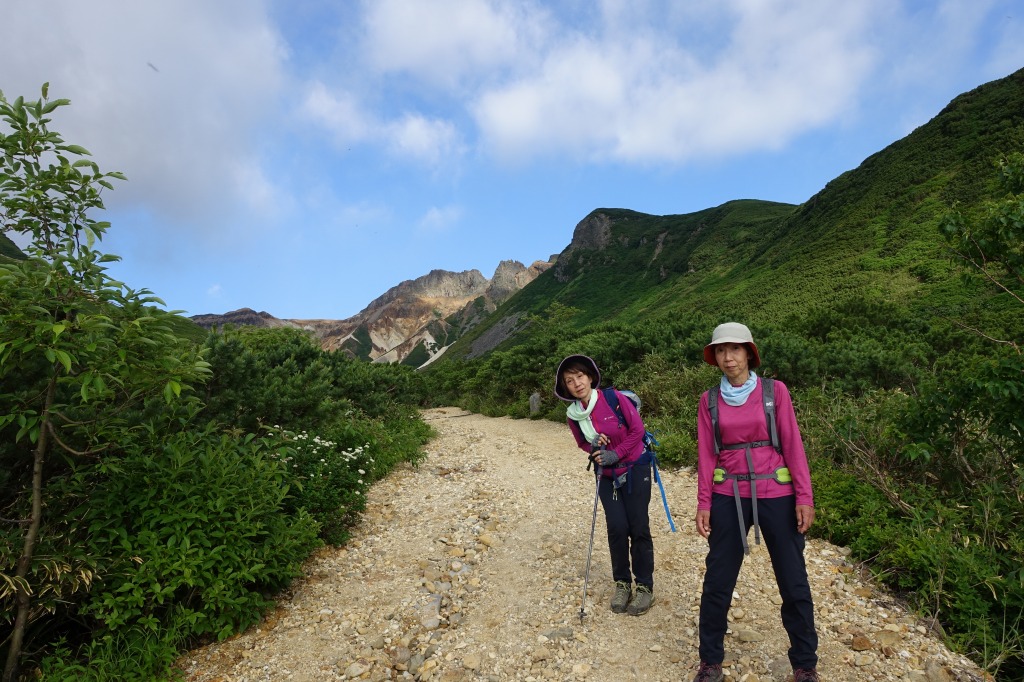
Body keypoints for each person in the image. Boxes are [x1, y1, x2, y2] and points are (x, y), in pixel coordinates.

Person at [692, 323, 819, 682]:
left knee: (793, 580)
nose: (728, 357)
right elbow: (706, 455)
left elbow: (792, 443)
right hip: (727, 494)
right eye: (720, 350)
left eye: (735, 349)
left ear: (749, 353)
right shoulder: (708, 401)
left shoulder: (774, 391)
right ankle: (710, 661)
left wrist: (804, 495)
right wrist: (704, 503)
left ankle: (805, 664)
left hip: (775, 492)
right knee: (718, 580)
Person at [555, 354, 655, 616]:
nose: (576, 383)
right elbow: (582, 442)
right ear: (566, 388)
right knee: (617, 528)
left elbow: (638, 431)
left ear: (590, 377)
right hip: (606, 476)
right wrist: (594, 448)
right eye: (569, 381)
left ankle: (645, 586)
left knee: (639, 527)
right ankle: (622, 583)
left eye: (579, 376)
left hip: (635, 469)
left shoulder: (613, 399)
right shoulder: (573, 415)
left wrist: (616, 453)